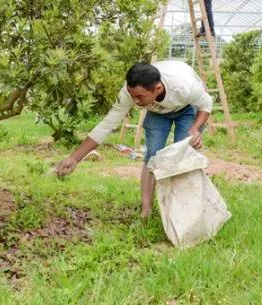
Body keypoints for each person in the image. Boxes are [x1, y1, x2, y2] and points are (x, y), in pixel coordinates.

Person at [56, 60, 212, 218]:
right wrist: (74, 158)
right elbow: (107, 124)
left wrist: (195, 128)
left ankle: (182, 212)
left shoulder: (185, 86)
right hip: (157, 112)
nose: (135, 102)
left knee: (182, 156)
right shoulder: (130, 91)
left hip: (186, 108)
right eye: (132, 96)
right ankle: (146, 210)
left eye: (139, 97)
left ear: (157, 89)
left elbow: (206, 104)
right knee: (152, 156)